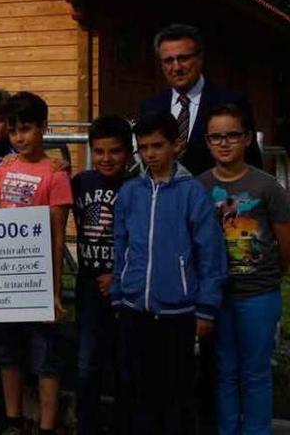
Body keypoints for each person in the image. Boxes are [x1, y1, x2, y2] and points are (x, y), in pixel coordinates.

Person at [111, 111, 227, 435]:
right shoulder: (131, 192)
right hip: (136, 309)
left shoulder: (193, 194)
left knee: (176, 393)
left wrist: (206, 308)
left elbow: (210, 255)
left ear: (176, 145)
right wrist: (120, 294)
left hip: (179, 312)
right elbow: (120, 246)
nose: (150, 154)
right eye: (144, 147)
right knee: (139, 390)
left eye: (158, 145)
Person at [197, 103, 290, 435]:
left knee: (255, 372)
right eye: (216, 137)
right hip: (216, 298)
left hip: (258, 296)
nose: (224, 143)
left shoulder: (267, 187)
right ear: (207, 142)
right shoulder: (200, 186)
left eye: (232, 135)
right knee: (224, 370)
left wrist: (269, 277)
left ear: (247, 138)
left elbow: (284, 245)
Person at [0, 92, 72, 435]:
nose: (19, 137)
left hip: (39, 280)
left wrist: (54, 292)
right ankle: (13, 419)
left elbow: (57, 237)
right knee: (7, 353)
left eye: (26, 129)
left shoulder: (56, 174)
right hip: (5, 277)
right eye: (13, 131)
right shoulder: (3, 168)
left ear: (43, 128)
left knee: (46, 360)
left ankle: (47, 426)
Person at [71, 116, 133, 434]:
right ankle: (86, 424)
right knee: (86, 364)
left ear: (129, 153)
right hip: (88, 286)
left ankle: (124, 423)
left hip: (127, 291)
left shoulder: (136, 188)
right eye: (99, 152)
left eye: (115, 152)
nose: (107, 159)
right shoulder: (80, 182)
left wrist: (120, 277)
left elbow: (146, 242)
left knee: (125, 364)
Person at [140, 23, 261, 176]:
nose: (176, 67)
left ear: (200, 58)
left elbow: (252, 163)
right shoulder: (150, 106)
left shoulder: (231, 102)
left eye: (183, 58)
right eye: (169, 60)